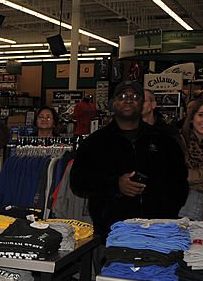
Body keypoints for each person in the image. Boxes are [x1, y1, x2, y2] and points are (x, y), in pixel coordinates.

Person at [70, 80, 188, 239]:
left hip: (159, 232)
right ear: (113, 103)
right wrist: (115, 185)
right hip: (112, 234)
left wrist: (167, 213)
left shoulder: (164, 141)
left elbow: (180, 181)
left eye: (135, 96)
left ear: (142, 104)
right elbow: (78, 181)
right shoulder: (95, 143)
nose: (128, 100)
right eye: (122, 96)